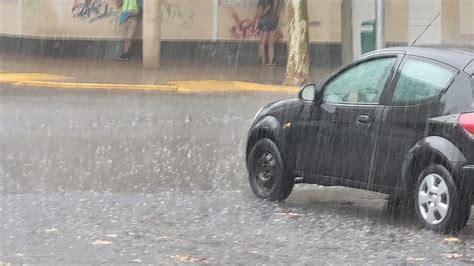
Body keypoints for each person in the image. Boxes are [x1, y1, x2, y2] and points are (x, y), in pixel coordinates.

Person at [255, 0, 280, 66]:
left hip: (272, 24)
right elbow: (259, 15)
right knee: (263, 43)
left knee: (271, 44)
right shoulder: (262, 2)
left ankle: (271, 61)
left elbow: (276, 14)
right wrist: (266, 10)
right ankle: (263, 60)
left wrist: (276, 24)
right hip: (264, 24)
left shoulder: (275, 2)